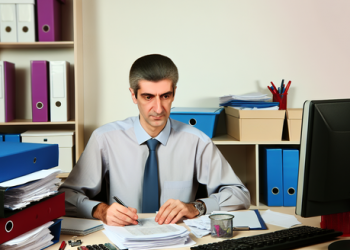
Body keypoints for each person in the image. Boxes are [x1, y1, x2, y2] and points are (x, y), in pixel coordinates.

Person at [59, 54, 250, 227]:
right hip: (124, 238)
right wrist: (101, 211)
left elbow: (240, 194)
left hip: (178, 240)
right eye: (148, 97)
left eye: (165, 96)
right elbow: (64, 197)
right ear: (133, 95)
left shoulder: (197, 141)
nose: (158, 108)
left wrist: (196, 207)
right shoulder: (105, 139)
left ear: (174, 93)